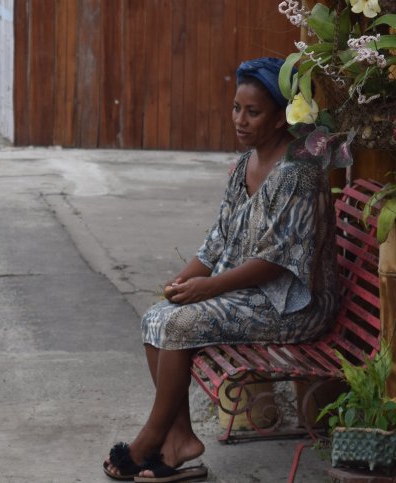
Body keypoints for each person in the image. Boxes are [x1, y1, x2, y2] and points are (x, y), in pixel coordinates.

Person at [103, 57, 339, 482]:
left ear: (281, 117)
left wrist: (206, 288)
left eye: (253, 112)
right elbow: (218, 239)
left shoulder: (298, 173)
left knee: (180, 323)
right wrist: (183, 280)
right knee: (157, 315)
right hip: (248, 295)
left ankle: (150, 440)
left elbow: (275, 261)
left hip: (291, 305)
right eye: (236, 108)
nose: (240, 120)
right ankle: (180, 439)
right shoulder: (245, 164)